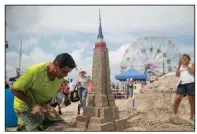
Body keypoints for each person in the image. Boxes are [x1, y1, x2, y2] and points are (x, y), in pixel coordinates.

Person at [10, 53, 76, 131]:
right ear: (56, 64)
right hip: (25, 108)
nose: (66, 75)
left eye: (68, 73)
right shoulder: (34, 71)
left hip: (42, 108)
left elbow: (48, 92)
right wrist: (33, 105)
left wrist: (48, 105)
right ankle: (22, 128)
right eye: (64, 71)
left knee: (63, 126)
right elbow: (13, 89)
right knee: (34, 128)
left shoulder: (59, 76)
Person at [173, 54, 195, 125]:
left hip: (191, 83)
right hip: (181, 84)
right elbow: (177, 75)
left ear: (189, 59)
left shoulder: (192, 64)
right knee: (177, 99)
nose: (184, 59)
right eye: (183, 58)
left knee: (191, 101)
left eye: (186, 58)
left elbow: (192, 72)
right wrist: (179, 65)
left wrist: (186, 65)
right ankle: (174, 115)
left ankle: (192, 118)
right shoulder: (180, 66)